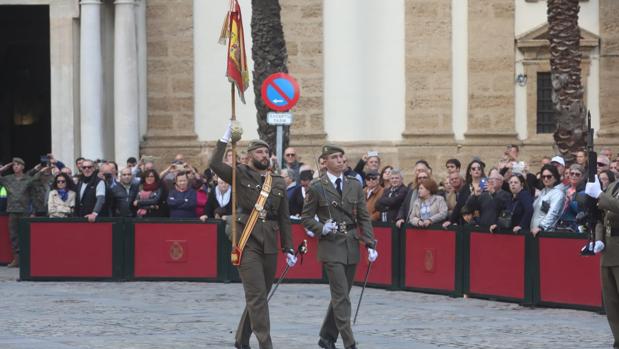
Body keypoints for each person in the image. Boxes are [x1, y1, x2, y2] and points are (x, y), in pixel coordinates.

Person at [211, 124, 295, 349]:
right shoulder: (238, 173)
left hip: (269, 242)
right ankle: (266, 344)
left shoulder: (276, 181)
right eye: (259, 152)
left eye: (267, 152)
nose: (264, 155)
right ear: (249, 156)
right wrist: (225, 138)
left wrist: (288, 247)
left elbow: (284, 217)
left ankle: (241, 339)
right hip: (247, 241)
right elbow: (215, 164)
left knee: (260, 296)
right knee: (257, 296)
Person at [301, 144, 377, 349]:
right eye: (335, 157)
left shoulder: (353, 184)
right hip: (331, 245)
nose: (341, 160)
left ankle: (326, 337)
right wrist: (321, 228)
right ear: (325, 162)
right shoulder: (317, 187)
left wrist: (370, 242)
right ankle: (349, 342)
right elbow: (306, 218)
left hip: (351, 244)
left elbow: (363, 217)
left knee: (341, 294)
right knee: (341, 296)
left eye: (342, 157)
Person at [585, 175, 619, 348]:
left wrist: (599, 194)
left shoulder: (605, 191)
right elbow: (600, 216)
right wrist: (599, 239)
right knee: (611, 303)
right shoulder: (613, 186)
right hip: (608, 251)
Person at [0, 158, 45, 267]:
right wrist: (2, 169)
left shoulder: (28, 179)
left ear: (23, 167)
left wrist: (34, 211)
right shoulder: (8, 179)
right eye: (14, 165)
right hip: (12, 210)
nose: (15, 166)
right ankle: (17, 259)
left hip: (25, 211)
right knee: (14, 236)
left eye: (18, 165)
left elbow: (34, 195)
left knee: (25, 235)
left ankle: (26, 259)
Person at [530, 165, 565, 237]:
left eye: (549, 176)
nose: (546, 179)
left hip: (547, 233)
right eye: (543, 177)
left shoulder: (558, 193)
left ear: (555, 177)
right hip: (534, 232)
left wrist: (541, 227)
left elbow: (553, 212)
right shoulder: (543, 191)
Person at [559, 164, 587, 231]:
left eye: (577, 174)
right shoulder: (564, 189)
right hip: (562, 223)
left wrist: (570, 200)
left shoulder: (584, 191)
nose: (574, 176)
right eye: (572, 173)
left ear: (582, 177)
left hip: (576, 226)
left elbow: (580, 211)